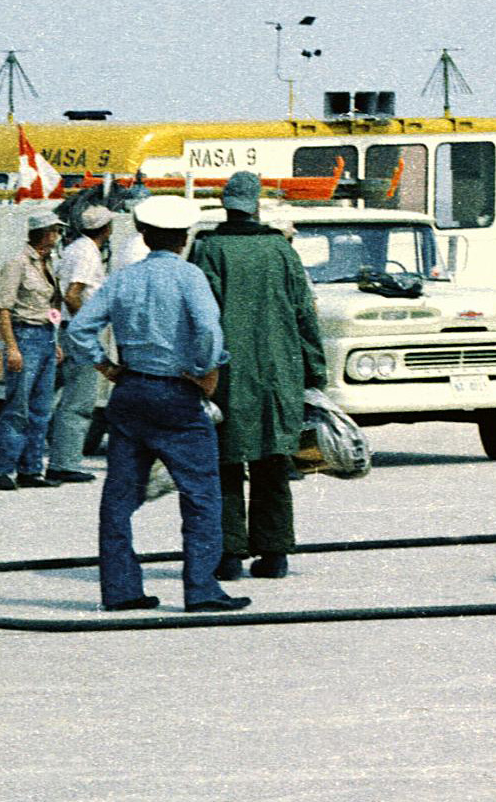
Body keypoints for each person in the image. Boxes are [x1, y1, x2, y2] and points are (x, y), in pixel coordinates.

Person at [64, 195, 247, 612]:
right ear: (183, 238)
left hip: (130, 392)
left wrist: (107, 369)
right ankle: (201, 589)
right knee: (200, 494)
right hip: (176, 393)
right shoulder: (189, 277)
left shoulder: (123, 279)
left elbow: (80, 331)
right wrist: (205, 369)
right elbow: (208, 332)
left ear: (144, 236)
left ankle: (122, 589)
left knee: (119, 499)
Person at [188, 171, 326, 580]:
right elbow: (305, 314)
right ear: (257, 205)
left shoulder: (208, 249)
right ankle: (274, 554)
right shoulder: (281, 250)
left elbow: (200, 316)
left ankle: (228, 556)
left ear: (225, 204)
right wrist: (315, 372)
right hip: (278, 374)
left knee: (225, 464)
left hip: (225, 375)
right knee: (272, 463)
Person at [0, 210, 67, 489]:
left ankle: (31, 469)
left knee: (41, 409)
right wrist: (11, 348)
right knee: (17, 408)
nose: (57, 237)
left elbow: (51, 306)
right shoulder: (18, 264)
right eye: (55, 231)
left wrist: (54, 342)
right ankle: (4, 470)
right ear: (44, 233)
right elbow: (3, 308)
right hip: (24, 335)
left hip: (44, 336)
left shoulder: (48, 266)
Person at [43, 198, 115, 484]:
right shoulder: (87, 254)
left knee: (51, 397)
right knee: (79, 401)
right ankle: (65, 462)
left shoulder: (73, 249)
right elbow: (73, 294)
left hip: (64, 328)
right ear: (106, 229)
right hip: (78, 330)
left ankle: (42, 458)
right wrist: (86, 326)